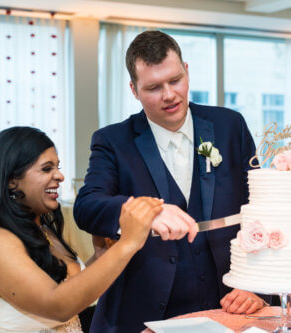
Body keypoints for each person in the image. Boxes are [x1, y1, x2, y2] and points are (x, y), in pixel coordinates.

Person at [74, 30, 269, 332]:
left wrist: (256, 285)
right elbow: (87, 206)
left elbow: (261, 209)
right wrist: (143, 211)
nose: (169, 95)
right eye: (153, 87)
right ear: (134, 90)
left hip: (228, 307)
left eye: (175, 80)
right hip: (143, 314)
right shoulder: (112, 141)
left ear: (187, 71)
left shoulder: (230, 126)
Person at [0, 126, 163, 332]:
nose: (60, 176)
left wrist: (101, 256)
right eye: (47, 169)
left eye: (57, 167)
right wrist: (128, 243)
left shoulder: (43, 229)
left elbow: (71, 290)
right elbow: (58, 306)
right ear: (12, 182)